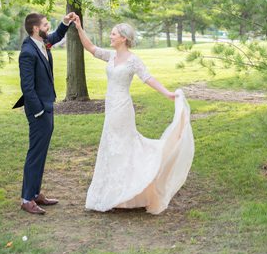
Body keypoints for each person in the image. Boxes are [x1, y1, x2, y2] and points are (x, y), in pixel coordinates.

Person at [71, 15, 194, 214]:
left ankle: (126, 190)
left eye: (113, 34)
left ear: (124, 38)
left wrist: (168, 94)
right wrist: (78, 27)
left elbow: (148, 78)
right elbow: (90, 48)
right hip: (110, 107)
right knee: (112, 145)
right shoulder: (110, 56)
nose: (110, 36)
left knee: (122, 144)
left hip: (122, 108)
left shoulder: (133, 60)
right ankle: (116, 193)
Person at [12, 11, 75, 215]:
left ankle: (36, 193)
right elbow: (27, 88)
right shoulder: (28, 52)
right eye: (46, 25)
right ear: (36, 29)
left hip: (47, 106)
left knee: (41, 153)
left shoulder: (42, 42)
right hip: (38, 111)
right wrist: (39, 111)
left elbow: (55, 37)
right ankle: (26, 199)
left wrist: (65, 23)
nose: (49, 27)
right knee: (35, 154)